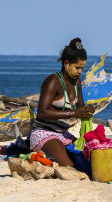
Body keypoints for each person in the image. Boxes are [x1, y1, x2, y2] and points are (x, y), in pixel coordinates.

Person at [29, 38, 95, 166]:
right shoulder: (53, 81)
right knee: (68, 166)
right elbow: (42, 112)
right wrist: (73, 113)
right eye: (77, 67)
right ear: (66, 63)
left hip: (64, 135)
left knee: (86, 159)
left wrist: (87, 110)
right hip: (44, 133)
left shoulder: (77, 82)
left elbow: (80, 107)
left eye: (82, 68)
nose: (80, 71)